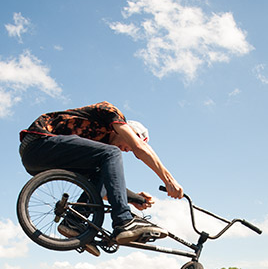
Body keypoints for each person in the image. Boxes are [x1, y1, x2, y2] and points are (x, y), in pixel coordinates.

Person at [18, 102, 183, 251]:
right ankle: (124, 221)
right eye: (129, 146)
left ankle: (73, 223)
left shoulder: (98, 150)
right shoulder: (111, 113)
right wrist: (169, 180)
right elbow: (139, 147)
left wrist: (135, 198)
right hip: (38, 142)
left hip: (40, 158)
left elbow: (107, 187)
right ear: (128, 132)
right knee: (111, 153)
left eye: (130, 151)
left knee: (102, 170)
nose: (128, 151)